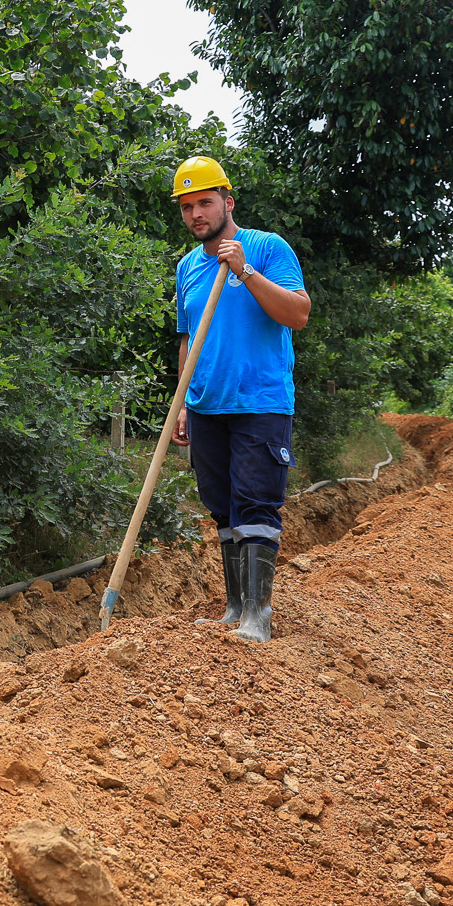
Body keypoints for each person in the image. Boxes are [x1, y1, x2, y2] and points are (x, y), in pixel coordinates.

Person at [169, 157, 310, 643]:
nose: (196, 215)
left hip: (260, 402)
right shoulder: (187, 267)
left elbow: (297, 313)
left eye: (204, 203)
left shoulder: (267, 248)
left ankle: (258, 616)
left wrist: (243, 270)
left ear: (227, 203)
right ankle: (234, 608)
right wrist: (185, 402)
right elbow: (188, 340)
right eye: (187, 207)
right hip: (208, 406)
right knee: (223, 508)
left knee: (256, 504)